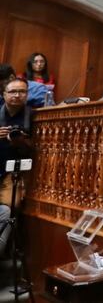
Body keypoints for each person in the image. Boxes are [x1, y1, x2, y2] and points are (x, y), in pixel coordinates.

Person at [0, 67, 33, 254]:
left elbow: (36, 149)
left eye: (22, 92)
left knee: (7, 210)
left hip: (13, 173)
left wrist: (20, 141)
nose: (17, 95)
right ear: (4, 94)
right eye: (12, 91)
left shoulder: (31, 115)